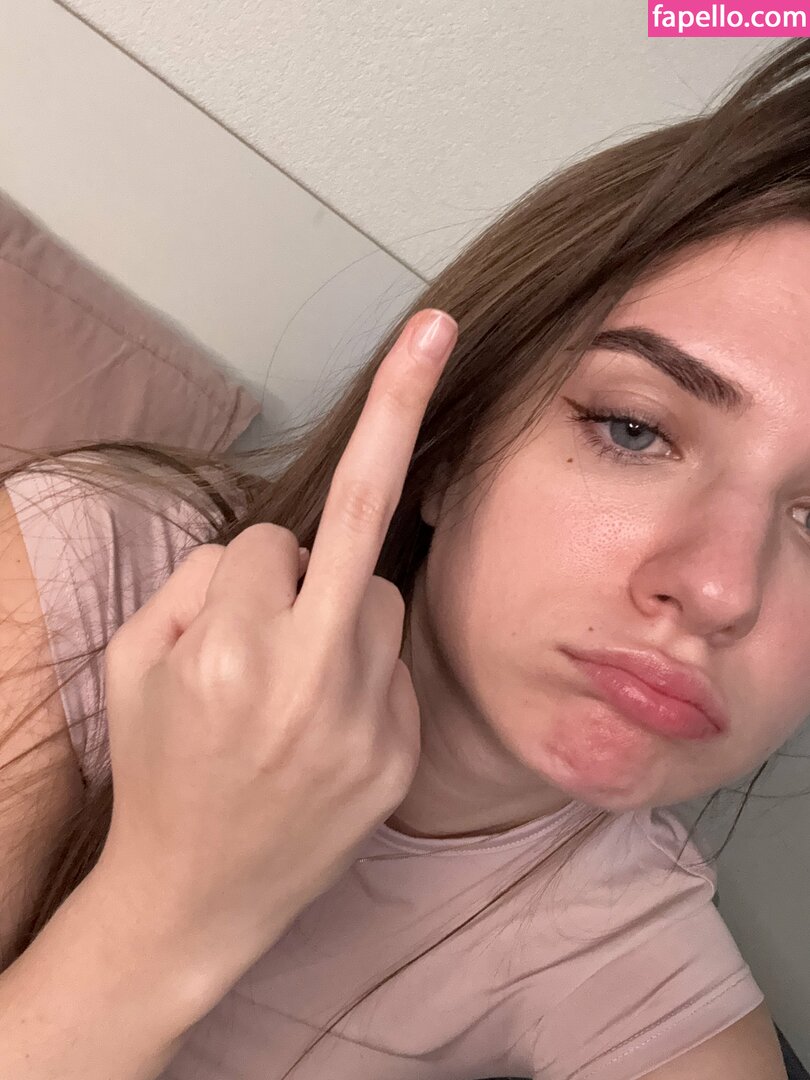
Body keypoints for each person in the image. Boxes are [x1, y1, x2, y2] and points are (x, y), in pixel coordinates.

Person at [0, 36, 806, 1080]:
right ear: (450, 446)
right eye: (634, 429)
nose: (719, 589)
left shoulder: (652, 986)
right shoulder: (95, 564)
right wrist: (172, 902)